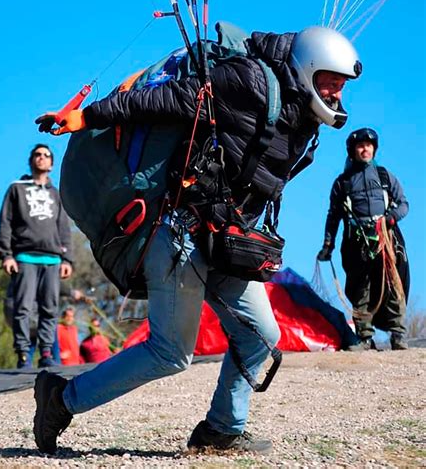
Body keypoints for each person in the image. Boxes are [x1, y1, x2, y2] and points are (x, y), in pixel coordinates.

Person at [32, 26, 362, 455]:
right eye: (330, 82)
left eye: (342, 86)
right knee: (170, 352)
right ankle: (60, 399)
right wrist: (89, 115)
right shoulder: (250, 81)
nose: (336, 94)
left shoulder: (300, 118)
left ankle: (221, 430)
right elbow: (163, 100)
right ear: (306, 69)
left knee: (260, 335)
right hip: (181, 234)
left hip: (225, 239)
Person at [317, 128, 409, 351]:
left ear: (374, 149)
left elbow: (404, 204)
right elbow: (334, 216)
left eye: (369, 145)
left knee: (392, 283)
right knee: (361, 288)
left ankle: (398, 335)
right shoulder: (343, 183)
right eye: (360, 146)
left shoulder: (386, 177)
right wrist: (328, 244)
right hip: (356, 242)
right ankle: (365, 337)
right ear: (353, 151)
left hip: (385, 238)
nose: (365, 149)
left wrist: (390, 219)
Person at [0, 144, 74, 368]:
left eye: (46, 155)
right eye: (37, 155)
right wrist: (6, 255)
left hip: (52, 259)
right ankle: (22, 353)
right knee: (23, 308)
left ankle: (47, 353)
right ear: (31, 160)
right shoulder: (16, 189)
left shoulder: (55, 194)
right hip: (24, 257)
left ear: (51, 164)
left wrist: (67, 259)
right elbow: (6, 222)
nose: (41, 158)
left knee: (49, 308)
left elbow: (63, 228)